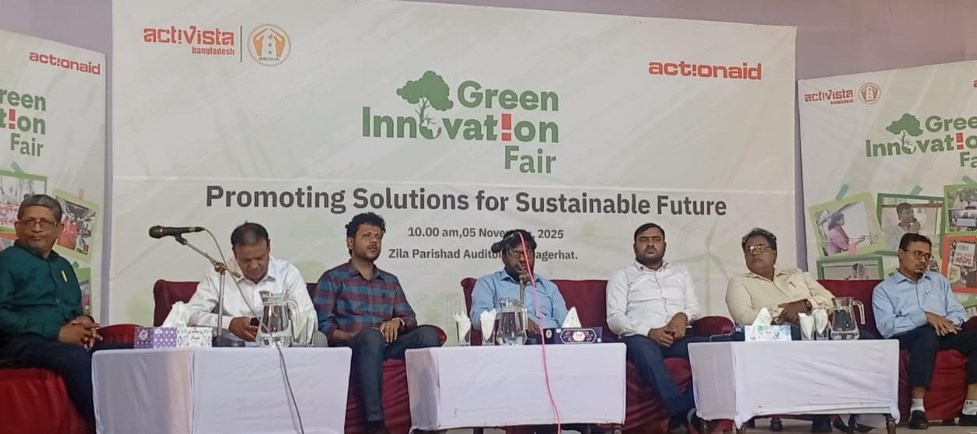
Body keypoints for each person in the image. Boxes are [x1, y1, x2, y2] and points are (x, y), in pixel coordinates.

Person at [0, 194, 130, 424]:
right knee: (74, 357)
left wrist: (84, 321)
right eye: (30, 221)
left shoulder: (64, 266)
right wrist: (57, 333)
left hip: (62, 342)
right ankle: (109, 426)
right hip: (20, 343)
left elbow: (72, 310)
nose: (37, 228)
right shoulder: (7, 262)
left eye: (44, 222)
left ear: (59, 229)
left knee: (129, 352)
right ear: (17, 227)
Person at [314, 212, 441, 434]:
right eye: (366, 236)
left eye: (378, 237)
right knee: (371, 337)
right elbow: (323, 325)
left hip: (387, 346)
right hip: (351, 347)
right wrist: (355, 337)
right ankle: (375, 425)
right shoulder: (333, 278)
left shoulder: (390, 281)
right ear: (350, 242)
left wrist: (397, 322)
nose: (374, 241)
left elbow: (410, 318)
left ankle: (428, 421)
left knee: (428, 334)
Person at [726, 228, 840, 432]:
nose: (754, 252)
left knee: (863, 339)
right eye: (749, 249)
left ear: (774, 253)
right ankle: (822, 411)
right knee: (802, 338)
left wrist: (805, 304)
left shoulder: (797, 275)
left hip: (818, 330)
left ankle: (860, 411)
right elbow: (744, 318)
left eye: (760, 247)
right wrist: (783, 312)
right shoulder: (739, 282)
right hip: (774, 336)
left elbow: (831, 300)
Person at [606, 223, 704, 434]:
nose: (650, 244)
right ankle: (681, 413)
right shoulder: (622, 275)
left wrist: (683, 316)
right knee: (645, 349)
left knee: (714, 350)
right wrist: (649, 332)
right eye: (644, 240)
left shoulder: (681, 272)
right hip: (640, 339)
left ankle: (690, 410)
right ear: (634, 246)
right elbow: (615, 319)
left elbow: (695, 307)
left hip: (677, 338)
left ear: (664, 245)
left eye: (656, 239)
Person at [873, 233, 977, 429]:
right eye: (918, 254)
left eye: (927, 256)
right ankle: (917, 409)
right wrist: (925, 317)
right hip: (907, 336)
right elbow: (886, 328)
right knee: (925, 333)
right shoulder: (884, 290)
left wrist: (945, 322)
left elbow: (958, 311)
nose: (923, 260)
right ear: (901, 253)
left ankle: (971, 408)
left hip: (942, 332)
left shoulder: (938, 281)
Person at [185, 222, 319, 346]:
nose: (254, 266)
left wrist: (280, 329)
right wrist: (229, 324)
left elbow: (309, 319)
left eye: (260, 258)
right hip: (230, 349)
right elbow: (190, 316)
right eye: (246, 260)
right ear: (235, 253)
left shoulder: (287, 273)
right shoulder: (219, 274)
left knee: (319, 339)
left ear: (269, 246)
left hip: (279, 349)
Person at [470, 229, 569, 339]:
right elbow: (478, 319)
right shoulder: (487, 284)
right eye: (516, 254)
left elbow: (568, 325)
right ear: (504, 257)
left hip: (550, 345)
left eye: (528, 253)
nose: (523, 259)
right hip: (510, 345)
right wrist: (515, 317)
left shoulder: (549, 288)